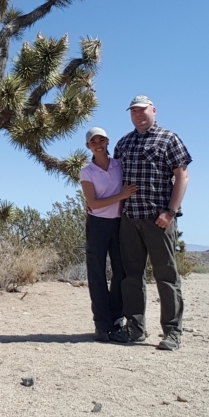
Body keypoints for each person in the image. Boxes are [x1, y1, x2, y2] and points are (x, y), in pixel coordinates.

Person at [112, 96, 192, 351]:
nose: (137, 114)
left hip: (159, 219)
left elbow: (182, 176)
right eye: (133, 111)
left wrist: (170, 211)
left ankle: (172, 332)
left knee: (166, 275)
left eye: (142, 110)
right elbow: (115, 178)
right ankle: (135, 329)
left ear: (153, 111)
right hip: (130, 218)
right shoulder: (124, 143)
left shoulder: (169, 138)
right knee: (131, 277)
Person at [80, 127, 137, 343]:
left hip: (119, 223)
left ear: (108, 141)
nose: (98, 144)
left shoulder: (119, 166)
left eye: (101, 140)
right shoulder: (87, 172)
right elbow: (93, 203)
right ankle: (101, 325)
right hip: (97, 225)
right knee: (97, 274)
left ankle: (116, 319)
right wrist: (120, 195)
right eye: (93, 142)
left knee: (121, 272)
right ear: (88, 146)